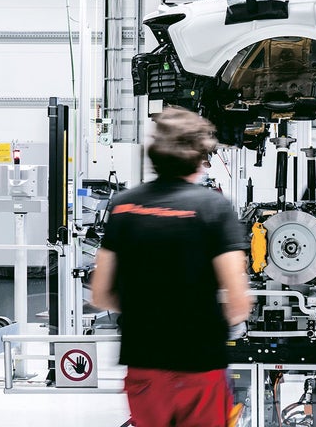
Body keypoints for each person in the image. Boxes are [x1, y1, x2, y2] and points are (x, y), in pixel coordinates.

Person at [91, 107, 251, 427]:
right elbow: (237, 304)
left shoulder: (124, 205)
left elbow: (100, 294)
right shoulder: (214, 208)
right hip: (200, 365)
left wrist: (146, 309)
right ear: (199, 156)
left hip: (143, 365)